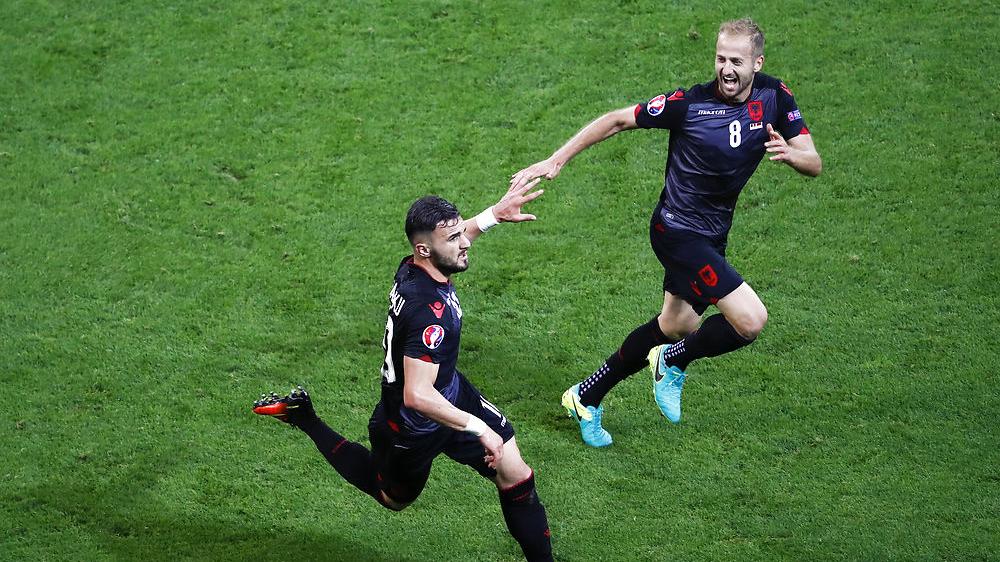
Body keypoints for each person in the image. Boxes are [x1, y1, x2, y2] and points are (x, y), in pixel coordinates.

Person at [509, 18, 822, 447]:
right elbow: (618, 120)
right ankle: (672, 362)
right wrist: (556, 159)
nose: (726, 69)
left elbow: (813, 162)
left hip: (712, 235)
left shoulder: (774, 96)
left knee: (676, 324)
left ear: (757, 63)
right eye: (720, 59)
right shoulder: (688, 105)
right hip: (676, 231)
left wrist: (790, 154)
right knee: (751, 320)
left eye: (736, 61)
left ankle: (586, 396)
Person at [252, 182, 553, 561]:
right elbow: (417, 394)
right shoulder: (429, 314)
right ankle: (306, 419)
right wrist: (480, 428)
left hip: (451, 392)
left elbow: (449, 242)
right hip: (412, 425)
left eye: (461, 231)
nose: (465, 242)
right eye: (454, 238)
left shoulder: (413, 266)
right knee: (391, 498)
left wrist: (494, 215)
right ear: (424, 250)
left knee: (517, 477)